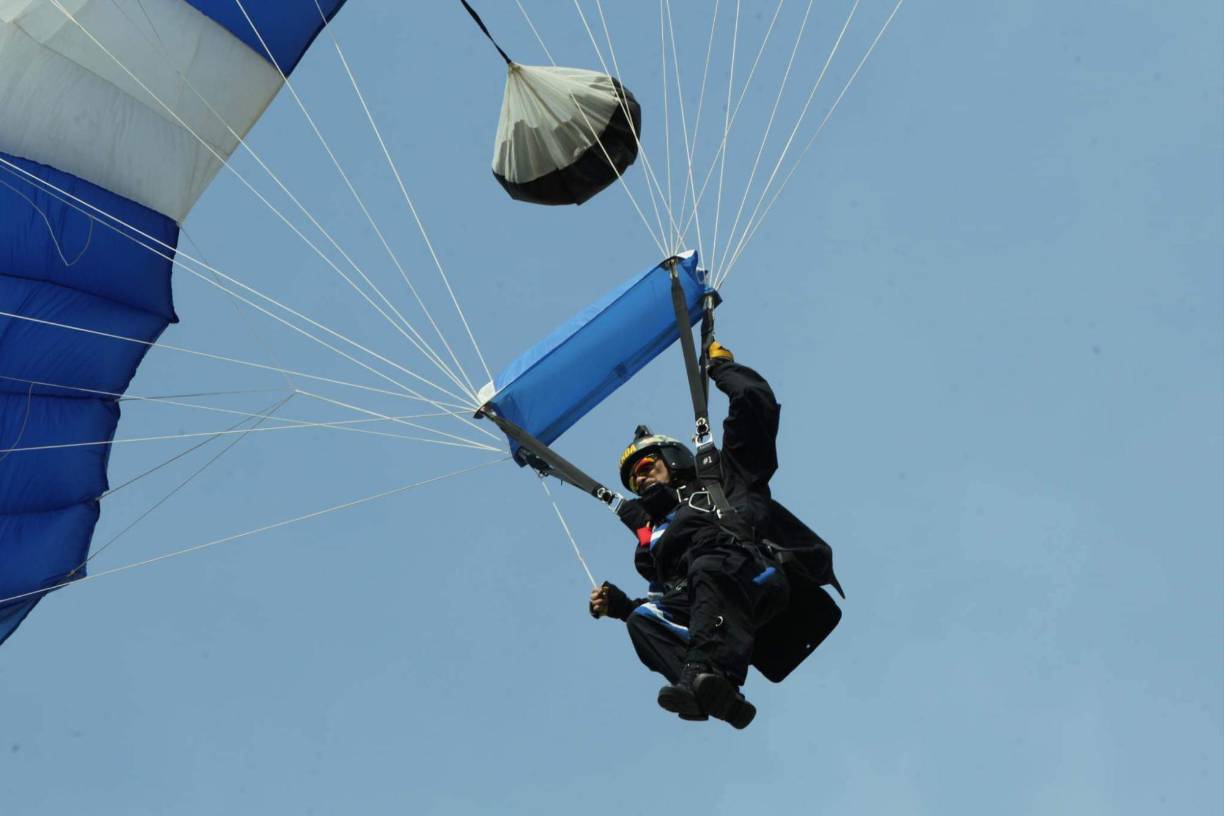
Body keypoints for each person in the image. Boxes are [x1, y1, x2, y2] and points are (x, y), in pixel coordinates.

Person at [588, 341, 839, 729]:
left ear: (673, 461)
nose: (640, 477)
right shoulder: (655, 545)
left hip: (758, 576)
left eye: (647, 465)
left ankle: (711, 675)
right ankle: (712, 693)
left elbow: (755, 402)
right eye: (634, 478)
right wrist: (621, 608)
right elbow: (681, 601)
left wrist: (723, 369)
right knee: (641, 619)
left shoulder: (725, 478)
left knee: (708, 563)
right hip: (716, 599)